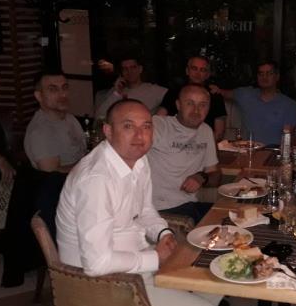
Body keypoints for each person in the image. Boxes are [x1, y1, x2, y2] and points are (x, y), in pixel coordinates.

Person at [56, 98, 218, 306]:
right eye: (128, 126)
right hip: (103, 283)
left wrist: (163, 233)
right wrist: (154, 258)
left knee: (214, 276)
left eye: (147, 127)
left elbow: (145, 211)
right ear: (107, 131)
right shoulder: (97, 180)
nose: (140, 136)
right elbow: (97, 263)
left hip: (134, 259)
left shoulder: (137, 161)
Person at [148, 84, 221, 223]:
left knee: (235, 217)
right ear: (178, 105)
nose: (196, 110)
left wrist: (202, 177)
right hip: (160, 212)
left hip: (189, 206)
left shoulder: (205, 131)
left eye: (203, 105)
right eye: (190, 103)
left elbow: (215, 176)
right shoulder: (158, 125)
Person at [211, 60, 296, 145]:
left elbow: (287, 138)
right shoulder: (245, 94)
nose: (264, 77)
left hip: (273, 151)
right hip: (247, 149)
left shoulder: (289, 105)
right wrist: (215, 89)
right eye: (261, 74)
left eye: (269, 73)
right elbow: (222, 92)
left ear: (277, 76)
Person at [24, 69, 86, 172]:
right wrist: (89, 163)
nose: (63, 94)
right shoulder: (40, 131)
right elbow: (52, 174)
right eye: (53, 90)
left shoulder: (70, 118)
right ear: (39, 96)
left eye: (64, 88)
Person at [156, 55, 228, 141]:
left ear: (207, 74)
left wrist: (203, 144)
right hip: (174, 141)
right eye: (194, 68)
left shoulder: (215, 96)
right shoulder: (174, 92)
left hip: (204, 142)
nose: (198, 73)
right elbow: (159, 120)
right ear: (187, 71)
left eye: (202, 70)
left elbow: (219, 132)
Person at [95, 55, 167, 117]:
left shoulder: (154, 90)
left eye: (133, 67)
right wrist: (117, 93)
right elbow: (99, 115)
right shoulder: (115, 91)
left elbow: (171, 97)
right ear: (122, 72)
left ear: (140, 69)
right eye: (125, 68)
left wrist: (159, 116)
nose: (129, 71)